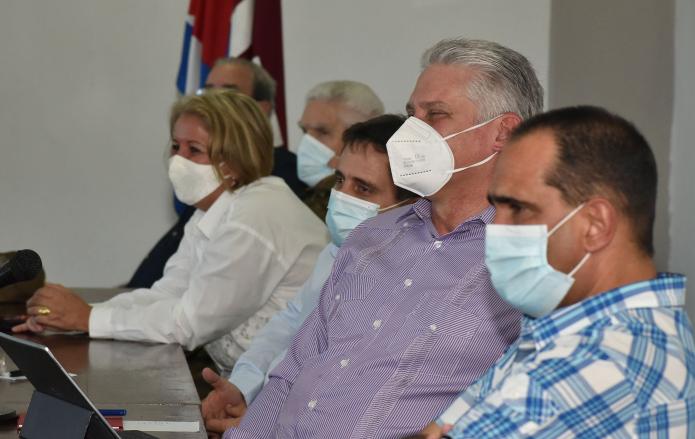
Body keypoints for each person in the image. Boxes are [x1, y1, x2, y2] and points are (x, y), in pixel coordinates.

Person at [222, 38, 543, 439]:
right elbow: (291, 373)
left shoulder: (532, 264)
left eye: (436, 115)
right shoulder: (370, 238)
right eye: (412, 114)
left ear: (502, 133)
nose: (410, 132)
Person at [418, 106, 695, 438]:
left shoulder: (597, 364)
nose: (495, 228)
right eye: (497, 208)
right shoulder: (566, 331)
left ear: (595, 225)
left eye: (518, 208)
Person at [15, 90, 328, 377]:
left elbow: (189, 323)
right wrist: (70, 317)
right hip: (249, 386)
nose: (179, 160)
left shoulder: (257, 214)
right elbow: (168, 294)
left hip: (294, 394)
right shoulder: (213, 211)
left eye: (194, 150)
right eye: (176, 147)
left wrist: (86, 319)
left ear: (233, 159)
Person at [200, 114, 417, 436]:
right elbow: (292, 322)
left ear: (411, 205)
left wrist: (265, 420)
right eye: (341, 180)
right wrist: (243, 386)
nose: (343, 196)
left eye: (364, 188)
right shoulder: (338, 249)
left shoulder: (408, 281)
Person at [127, 57, 303, 290]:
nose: (214, 101)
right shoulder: (206, 202)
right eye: (207, 92)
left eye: (230, 93)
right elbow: (169, 289)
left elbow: (195, 319)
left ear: (260, 109)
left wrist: (94, 316)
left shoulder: (266, 193)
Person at [297, 80, 385, 219]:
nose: (306, 144)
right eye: (304, 131)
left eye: (322, 132)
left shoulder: (376, 211)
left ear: (362, 140)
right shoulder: (292, 195)